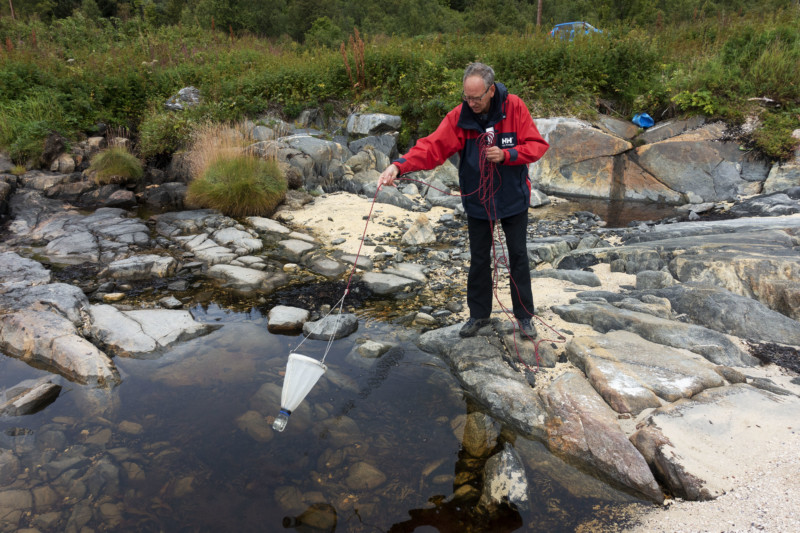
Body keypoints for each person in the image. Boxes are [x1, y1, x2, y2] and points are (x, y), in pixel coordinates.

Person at [378, 62, 549, 339]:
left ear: (491, 91)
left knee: (518, 256)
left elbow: (537, 146)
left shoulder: (515, 107)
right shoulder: (460, 116)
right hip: (478, 199)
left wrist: (508, 155)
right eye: (466, 97)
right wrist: (399, 166)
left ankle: (525, 318)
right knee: (479, 259)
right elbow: (433, 146)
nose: (471, 103)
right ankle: (479, 315)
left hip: (513, 197)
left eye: (477, 98)